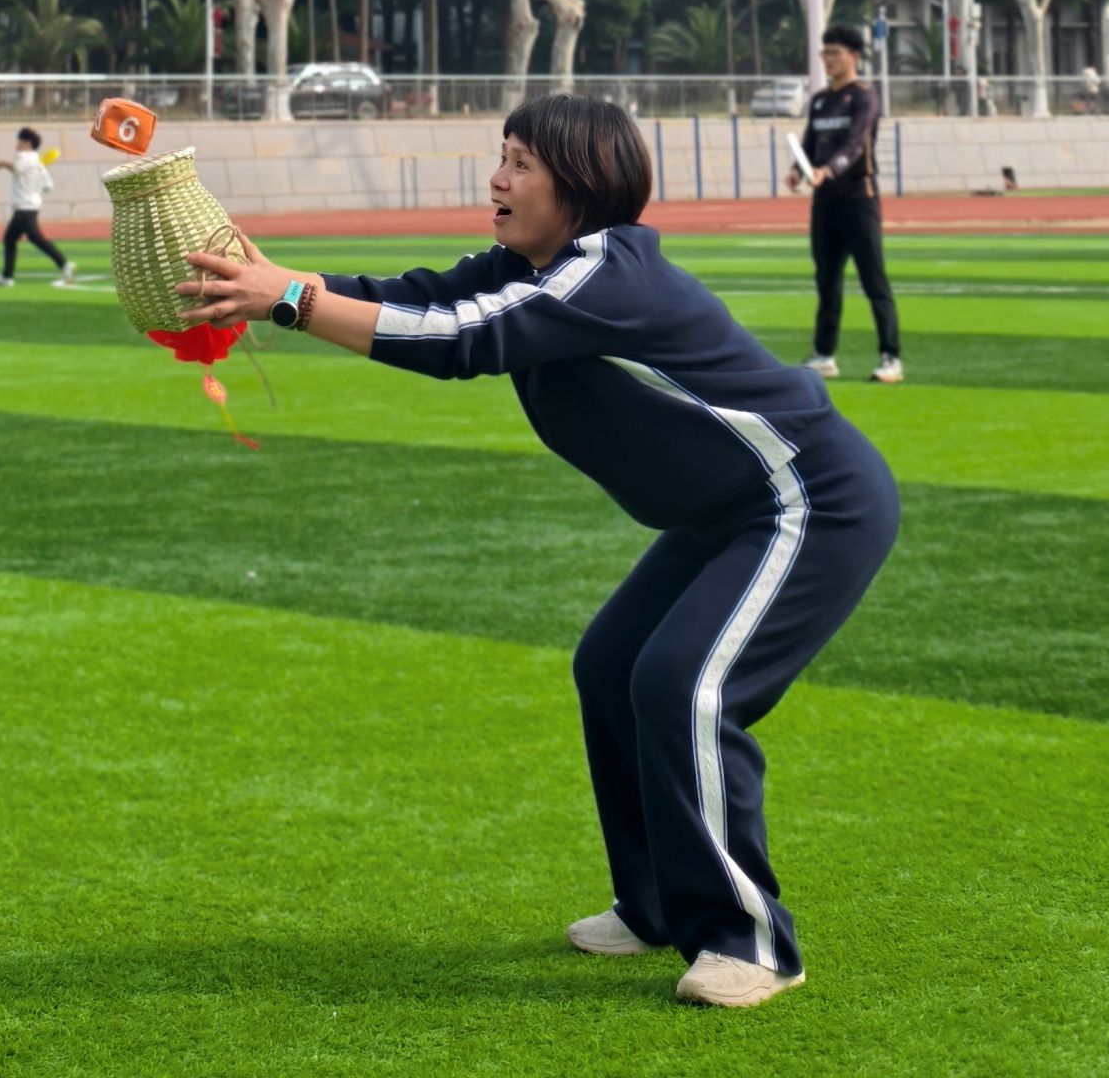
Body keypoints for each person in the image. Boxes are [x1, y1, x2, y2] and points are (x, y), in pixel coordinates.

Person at [181, 94, 900, 1012]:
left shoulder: (605, 274)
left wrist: (288, 301)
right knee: (611, 667)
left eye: (521, 163)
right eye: (504, 156)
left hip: (809, 501)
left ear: (581, 184)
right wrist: (279, 277)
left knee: (684, 686)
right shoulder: (534, 268)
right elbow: (419, 298)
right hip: (728, 511)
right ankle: (653, 904)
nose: (498, 178)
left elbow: (461, 340)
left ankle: (747, 941)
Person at [787, 24, 903, 385]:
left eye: (835, 52)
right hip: (825, 204)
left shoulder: (864, 98)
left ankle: (890, 357)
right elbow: (809, 144)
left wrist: (828, 170)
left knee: (874, 280)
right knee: (827, 280)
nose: (828, 59)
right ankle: (824, 354)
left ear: (854, 56)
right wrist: (797, 169)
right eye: (825, 53)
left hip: (858, 199)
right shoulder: (820, 100)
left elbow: (854, 145)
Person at [0, 127, 70, 286]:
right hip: (31, 205)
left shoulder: (22, 156)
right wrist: (33, 181)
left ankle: (64, 264)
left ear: (28, 143)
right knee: (10, 239)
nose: (17, 144)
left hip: (24, 206)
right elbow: (48, 187)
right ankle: (7, 277)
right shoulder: (38, 162)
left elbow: (17, 169)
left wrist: (2, 164)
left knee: (35, 238)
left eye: (20, 140)